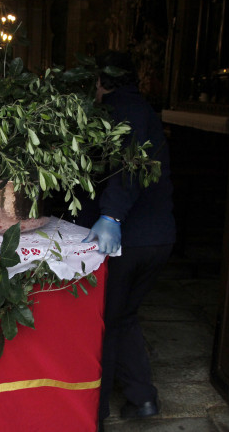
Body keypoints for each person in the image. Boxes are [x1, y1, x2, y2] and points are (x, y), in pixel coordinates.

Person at [81, 50, 176, 431]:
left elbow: (128, 165)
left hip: (127, 240)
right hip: (158, 238)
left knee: (104, 323)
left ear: (103, 82)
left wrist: (111, 216)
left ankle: (95, 411)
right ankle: (143, 398)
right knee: (123, 317)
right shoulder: (144, 110)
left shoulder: (123, 110)